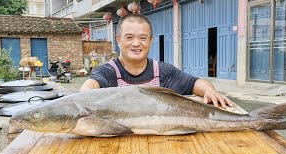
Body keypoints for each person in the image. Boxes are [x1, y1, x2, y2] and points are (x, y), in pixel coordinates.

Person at [80, 14, 233, 108]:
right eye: (129, 37)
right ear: (118, 40)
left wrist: (210, 91)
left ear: (151, 40)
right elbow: (91, 85)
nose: (136, 43)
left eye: (142, 38)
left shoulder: (164, 72)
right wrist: (84, 95)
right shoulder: (108, 72)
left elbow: (195, 83)